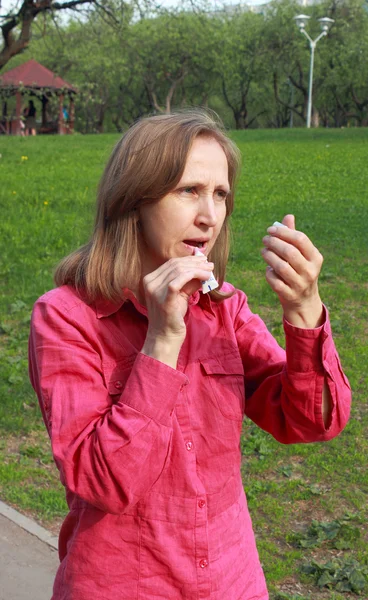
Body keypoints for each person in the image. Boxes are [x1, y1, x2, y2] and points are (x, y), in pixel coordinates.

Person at [28, 110, 351, 600]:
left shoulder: (224, 309)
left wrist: (304, 309)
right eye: (188, 191)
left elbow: (310, 421)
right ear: (133, 199)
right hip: (123, 584)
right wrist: (161, 342)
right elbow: (102, 482)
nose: (210, 215)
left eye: (220, 194)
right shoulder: (67, 317)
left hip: (232, 579)